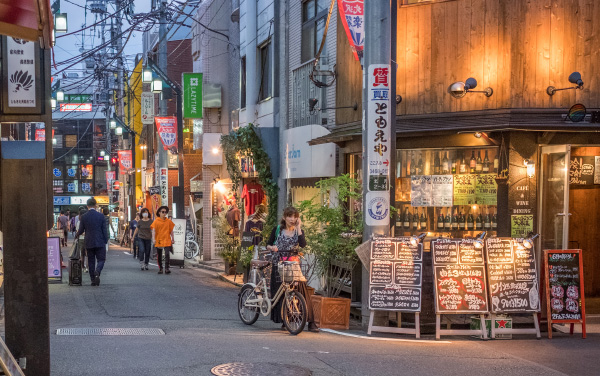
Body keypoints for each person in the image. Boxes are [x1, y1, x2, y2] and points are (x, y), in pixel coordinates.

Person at [266, 206, 319, 332]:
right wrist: (272, 248)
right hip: (278, 263)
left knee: (302, 291)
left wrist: (299, 227)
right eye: (289, 216)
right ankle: (286, 320)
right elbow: (267, 244)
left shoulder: (298, 231)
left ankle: (311, 322)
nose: (292, 219)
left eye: (295, 216)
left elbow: (303, 244)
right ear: (284, 217)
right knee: (281, 292)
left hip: (293, 264)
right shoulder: (278, 229)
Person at [75, 198, 109, 286]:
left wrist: (77, 234)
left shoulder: (84, 216)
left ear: (87, 206)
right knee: (101, 259)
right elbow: (104, 230)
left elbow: (81, 230)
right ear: (95, 205)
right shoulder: (101, 216)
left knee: (91, 261)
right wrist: (106, 240)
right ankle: (97, 271)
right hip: (100, 240)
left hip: (89, 241)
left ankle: (93, 280)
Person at [151, 206, 175, 274]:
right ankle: (161, 268)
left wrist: (173, 239)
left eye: (165, 212)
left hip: (167, 239)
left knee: (167, 254)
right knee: (159, 254)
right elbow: (154, 231)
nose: (164, 213)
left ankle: (167, 268)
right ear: (159, 212)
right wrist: (153, 239)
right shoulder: (156, 221)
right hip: (159, 239)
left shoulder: (168, 221)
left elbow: (171, 231)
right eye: (163, 212)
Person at [76, 207, 88, 272]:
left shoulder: (78, 222)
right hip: (88, 238)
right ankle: (88, 268)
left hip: (81, 239)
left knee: (82, 254)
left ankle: (82, 267)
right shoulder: (88, 222)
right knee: (88, 254)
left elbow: (78, 231)